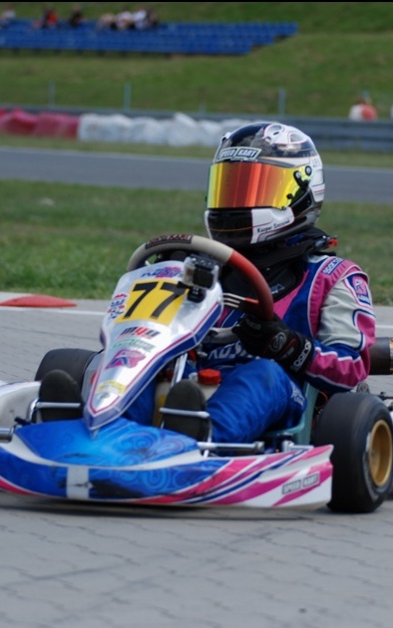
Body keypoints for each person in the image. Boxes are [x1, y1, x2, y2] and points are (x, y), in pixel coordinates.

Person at [121, 122, 376, 443]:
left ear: (300, 194)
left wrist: (289, 346)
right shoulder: (201, 266)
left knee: (263, 373)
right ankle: (109, 431)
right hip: (193, 384)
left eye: (256, 189)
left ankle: (203, 439)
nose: (236, 202)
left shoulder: (331, 275)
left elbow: (352, 367)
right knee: (146, 364)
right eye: (230, 188)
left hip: (284, 398)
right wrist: (168, 279)